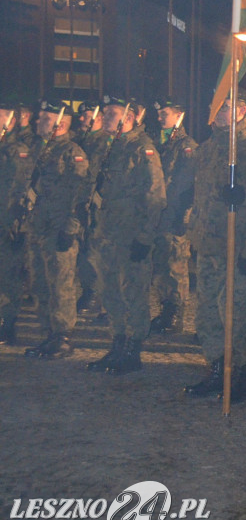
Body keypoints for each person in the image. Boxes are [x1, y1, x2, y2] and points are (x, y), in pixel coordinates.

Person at [182, 89, 246, 401]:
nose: (219, 114)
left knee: (232, 313)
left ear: (241, 111)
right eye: (217, 108)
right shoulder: (206, 150)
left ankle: (237, 375)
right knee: (206, 313)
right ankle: (217, 368)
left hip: (236, 245)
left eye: (226, 108)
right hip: (208, 244)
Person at [86, 95, 166, 375]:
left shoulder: (142, 149)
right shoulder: (112, 147)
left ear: (130, 117)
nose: (105, 117)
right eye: (104, 112)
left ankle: (133, 349)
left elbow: (155, 196)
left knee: (133, 293)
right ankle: (118, 343)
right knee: (110, 293)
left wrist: (144, 238)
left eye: (112, 113)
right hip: (108, 235)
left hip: (131, 236)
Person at [22, 99, 89, 359]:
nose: (39, 122)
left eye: (45, 119)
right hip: (38, 228)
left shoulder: (73, 153)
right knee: (40, 284)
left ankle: (63, 337)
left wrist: (71, 228)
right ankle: (48, 334)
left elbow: (80, 193)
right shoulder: (41, 149)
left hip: (59, 228)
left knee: (60, 284)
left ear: (60, 123)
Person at [149, 97, 197, 335]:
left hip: (175, 215)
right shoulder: (158, 142)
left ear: (179, 115)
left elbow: (186, 184)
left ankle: (176, 313)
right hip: (158, 215)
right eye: (159, 114)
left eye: (165, 114)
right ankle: (165, 309)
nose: (160, 118)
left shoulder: (186, 145)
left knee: (176, 265)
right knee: (160, 265)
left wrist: (181, 215)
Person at [0, 95, 34, 346]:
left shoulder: (17, 151)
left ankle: (6, 325)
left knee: (8, 277)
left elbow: (17, 190)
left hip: (8, 223)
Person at [73, 100, 106, 313]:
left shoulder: (105, 142)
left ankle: (96, 294)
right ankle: (88, 289)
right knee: (84, 250)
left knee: (96, 251)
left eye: (86, 115)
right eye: (82, 115)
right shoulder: (81, 141)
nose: (83, 119)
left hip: (99, 205)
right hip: (82, 202)